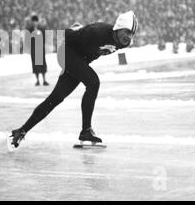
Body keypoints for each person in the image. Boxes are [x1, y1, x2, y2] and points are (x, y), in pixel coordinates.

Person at [9, 11, 138, 149]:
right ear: (119, 27)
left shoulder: (124, 42)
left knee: (55, 98)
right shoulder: (96, 32)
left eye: (132, 34)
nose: (129, 37)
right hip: (66, 54)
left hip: (80, 60)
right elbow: (65, 34)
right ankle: (86, 130)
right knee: (93, 83)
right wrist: (75, 30)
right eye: (127, 32)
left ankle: (21, 131)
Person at [27, 14, 49, 86]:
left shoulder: (41, 29)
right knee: (35, 65)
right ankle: (37, 80)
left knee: (42, 64)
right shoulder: (29, 30)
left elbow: (44, 38)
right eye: (33, 21)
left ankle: (44, 80)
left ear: (37, 22)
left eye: (35, 21)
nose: (34, 23)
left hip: (40, 49)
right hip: (33, 50)